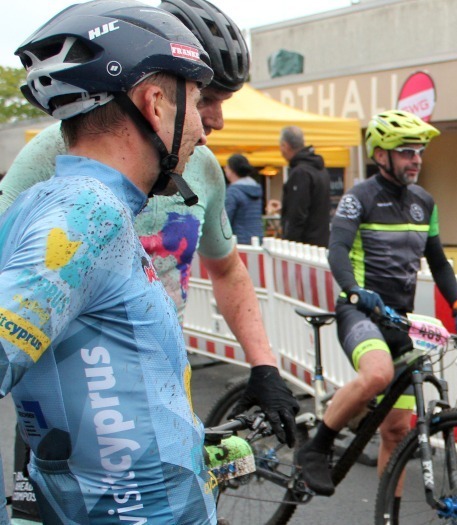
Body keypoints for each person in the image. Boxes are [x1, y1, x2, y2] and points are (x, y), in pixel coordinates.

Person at [2, 0, 300, 520]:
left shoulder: (91, 202)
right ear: (154, 102)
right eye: (197, 98)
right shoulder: (86, 210)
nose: (206, 131)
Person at [294, 109, 457, 496]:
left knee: (397, 431)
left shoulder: (424, 202)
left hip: (399, 320)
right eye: (406, 152)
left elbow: (438, 262)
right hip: (360, 312)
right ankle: (315, 449)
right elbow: (337, 250)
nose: (415, 159)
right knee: (378, 374)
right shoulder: (359, 198)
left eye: (418, 152)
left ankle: (388, 515)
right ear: (381, 155)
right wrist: (353, 291)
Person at [279, 125, 331, 247]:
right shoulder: (320, 169)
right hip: (321, 242)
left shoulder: (300, 173)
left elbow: (297, 214)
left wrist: (289, 244)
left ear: (285, 146)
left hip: (304, 247)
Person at [224, 153, 264, 243]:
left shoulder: (233, 191)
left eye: (226, 167)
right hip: (257, 237)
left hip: (239, 240)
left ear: (232, 170)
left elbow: (226, 220)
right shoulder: (256, 188)